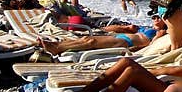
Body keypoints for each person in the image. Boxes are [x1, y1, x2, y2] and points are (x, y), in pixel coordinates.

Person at [39, 15, 169, 56]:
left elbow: (152, 47)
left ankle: (57, 48)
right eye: (154, 17)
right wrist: (125, 28)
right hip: (119, 37)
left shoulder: (162, 33)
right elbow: (111, 28)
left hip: (126, 44)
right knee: (86, 39)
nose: (156, 19)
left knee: (91, 43)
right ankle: (57, 45)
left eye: (159, 18)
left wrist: (158, 36)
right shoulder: (145, 28)